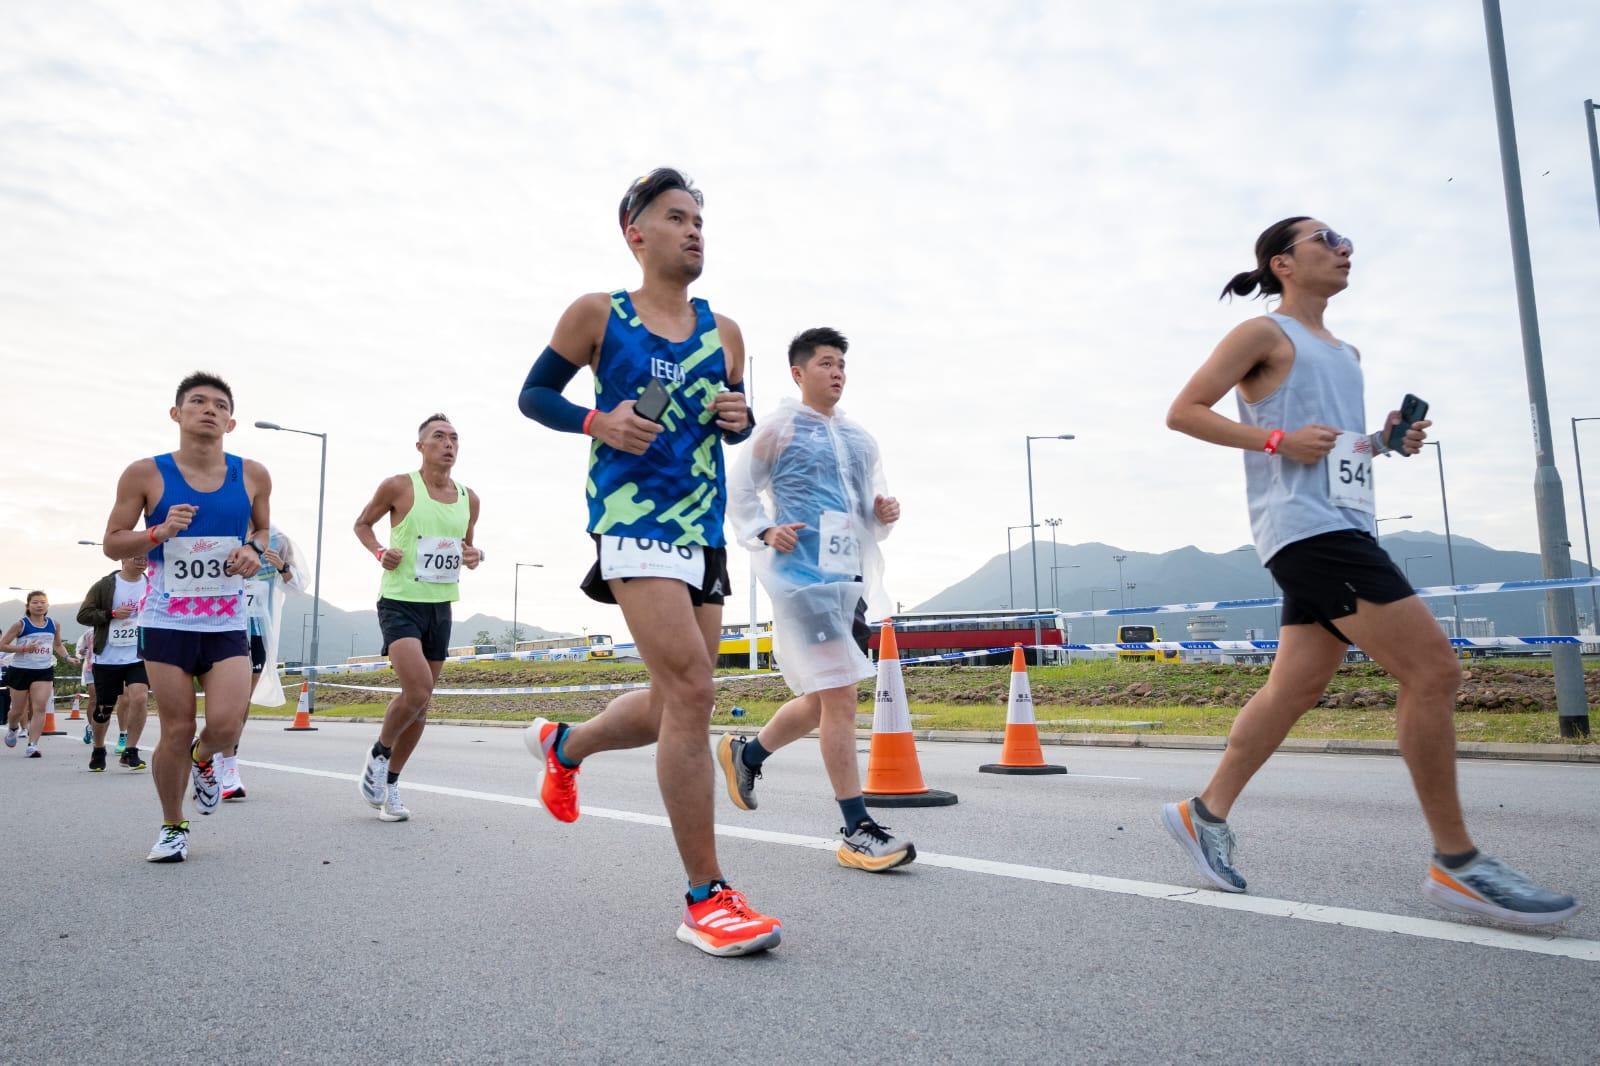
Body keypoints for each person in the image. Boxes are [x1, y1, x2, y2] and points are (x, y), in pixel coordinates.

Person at [1162, 216, 1578, 927]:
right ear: (1283, 263)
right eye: (1326, 239)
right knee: (1435, 672)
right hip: (1309, 533)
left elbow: (1334, 450)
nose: (1344, 248)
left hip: (1343, 523)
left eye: (1347, 240)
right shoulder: (1265, 335)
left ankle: (1203, 813)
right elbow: (1184, 411)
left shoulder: (1345, 352)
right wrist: (1274, 438)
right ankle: (1458, 863)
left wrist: (1384, 441)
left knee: (1297, 687)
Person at [517, 167, 780, 957]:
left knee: (678, 703)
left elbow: (734, 420)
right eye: (677, 217)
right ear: (636, 231)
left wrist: (740, 417)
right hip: (632, 521)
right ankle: (706, 897)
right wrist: (600, 420)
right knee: (696, 688)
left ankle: (565, 747)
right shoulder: (600, 314)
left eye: (700, 219)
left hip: (702, 525)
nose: (695, 230)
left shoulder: (725, 329)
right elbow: (535, 394)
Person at [723, 326, 913, 871]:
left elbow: (864, 505)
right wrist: (763, 530)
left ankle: (748, 752)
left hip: (846, 577)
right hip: (802, 578)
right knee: (841, 699)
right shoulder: (779, 429)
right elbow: (739, 489)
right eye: (826, 363)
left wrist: (882, 514)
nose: (837, 373)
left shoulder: (859, 438)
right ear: (798, 372)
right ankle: (856, 828)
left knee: (825, 697)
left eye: (842, 366)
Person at [101, 371, 270, 863]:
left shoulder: (253, 473)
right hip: (167, 620)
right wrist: (157, 532)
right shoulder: (145, 474)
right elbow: (113, 542)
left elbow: (262, 530)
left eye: (219, 404)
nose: (209, 410)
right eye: (197, 402)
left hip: (224, 620)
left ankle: (205, 759)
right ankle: (173, 825)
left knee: (224, 725)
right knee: (175, 728)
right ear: (176, 414)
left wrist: (253, 550)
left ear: (231, 421)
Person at [353, 415, 481, 823]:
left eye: (454, 438)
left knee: (421, 705)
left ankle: (389, 783)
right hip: (399, 601)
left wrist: (475, 555)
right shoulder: (399, 486)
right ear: (421, 447)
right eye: (438, 437)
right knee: (418, 688)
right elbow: (362, 524)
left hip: (440, 606)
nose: (448, 444)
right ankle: (379, 753)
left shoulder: (469, 498)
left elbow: (467, 548)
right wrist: (378, 551)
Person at [220, 524, 309, 800]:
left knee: (241, 699)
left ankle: (228, 765)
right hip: (220, 625)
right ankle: (210, 749)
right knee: (223, 700)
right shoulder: (225, 530)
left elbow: (296, 586)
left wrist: (281, 566)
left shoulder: (278, 538)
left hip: (257, 630)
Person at [76, 557, 153, 772]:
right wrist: (111, 614)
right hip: (107, 657)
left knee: (139, 698)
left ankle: (131, 751)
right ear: (123, 558)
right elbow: (83, 615)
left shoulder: (152, 584)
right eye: (135, 557)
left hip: (138, 655)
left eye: (145, 557)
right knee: (104, 709)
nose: (141, 561)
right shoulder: (105, 585)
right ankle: (98, 749)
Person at [2, 592, 76, 757]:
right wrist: (23, 649)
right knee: (17, 710)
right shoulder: (20, 625)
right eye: (35, 602)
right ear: (28, 606)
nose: (39, 605)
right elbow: (3, 645)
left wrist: (67, 657)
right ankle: (13, 728)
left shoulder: (54, 624)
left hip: (43, 670)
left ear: (47, 606)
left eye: (43, 602)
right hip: (20, 670)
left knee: (40, 707)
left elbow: (57, 645)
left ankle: (32, 745)